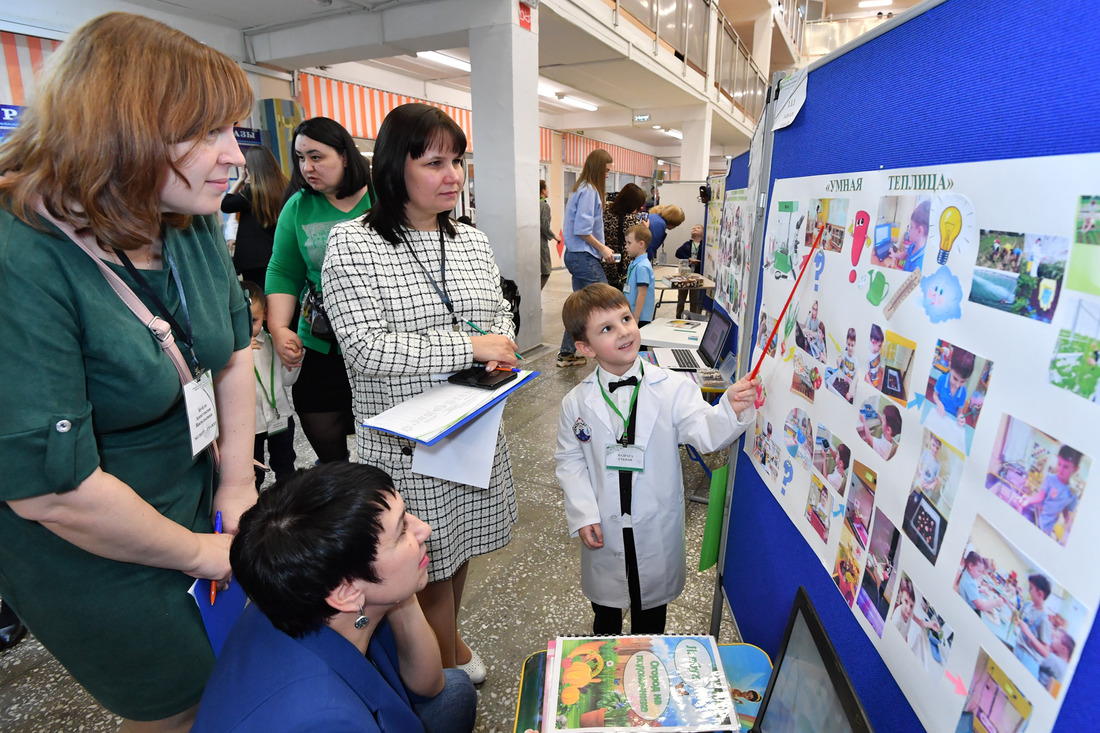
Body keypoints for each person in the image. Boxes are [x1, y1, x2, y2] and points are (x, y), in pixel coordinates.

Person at [0, 13, 257, 730]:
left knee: (235, 675)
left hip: (195, 491)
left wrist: (237, 483)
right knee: (177, 702)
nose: (232, 157)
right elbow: (56, 494)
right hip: (91, 549)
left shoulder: (185, 213)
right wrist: (203, 551)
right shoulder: (20, 258)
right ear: (123, 132)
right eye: (204, 134)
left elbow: (233, 348)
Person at [323, 102, 519, 682]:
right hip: (408, 441)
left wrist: (501, 344)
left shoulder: (471, 242)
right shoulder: (354, 243)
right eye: (435, 162)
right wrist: (472, 348)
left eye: (457, 161)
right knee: (421, 560)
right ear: (394, 166)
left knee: (459, 546)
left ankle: (448, 640)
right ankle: (436, 667)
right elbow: (364, 348)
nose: (453, 175)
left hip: (474, 426)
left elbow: (498, 314)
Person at [192, 463, 477, 732]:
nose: (423, 529)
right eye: (402, 531)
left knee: (454, 691)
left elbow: (429, 686)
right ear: (346, 591)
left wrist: (403, 592)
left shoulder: (306, 590)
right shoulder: (327, 722)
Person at [555, 284, 759, 635]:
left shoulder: (673, 387)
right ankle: (608, 664)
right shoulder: (575, 402)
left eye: (626, 318)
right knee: (605, 614)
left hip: (654, 520)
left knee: (651, 618)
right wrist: (584, 512)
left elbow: (705, 431)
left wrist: (730, 408)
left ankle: (646, 667)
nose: (623, 332)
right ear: (585, 348)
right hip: (605, 521)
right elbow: (570, 460)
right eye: (607, 329)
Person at [265, 117, 373, 463]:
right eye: (300, 158)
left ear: (344, 155)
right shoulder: (298, 205)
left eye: (316, 156)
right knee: (329, 448)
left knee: (387, 441)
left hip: (379, 338)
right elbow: (283, 270)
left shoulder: (382, 197)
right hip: (319, 339)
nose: (306, 167)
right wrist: (279, 328)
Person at [557, 148, 616, 367]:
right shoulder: (589, 190)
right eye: (607, 171)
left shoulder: (579, 188)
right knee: (608, 301)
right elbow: (583, 229)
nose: (608, 175)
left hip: (575, 255)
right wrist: (603, 249)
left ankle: (567, 353)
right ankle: (610, 351)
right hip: (583, 256)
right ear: (599, 169)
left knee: (580, 309)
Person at [243, 281, 299, 490]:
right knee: (253, 472)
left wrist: (294, 360)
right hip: (250, 425)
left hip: (280, 416)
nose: (248, 326)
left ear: (266, 315)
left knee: (285, 465)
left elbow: (287, 380)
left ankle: (289, 504)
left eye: (254, 319)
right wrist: (238, 357)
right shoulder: (229, 351)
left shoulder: (274, 342)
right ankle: (253, 508)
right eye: (241, 320)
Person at [221, 145, 289, 285]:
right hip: (279, 254)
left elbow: (226, 205)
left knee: (260, 301)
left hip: (253, 260)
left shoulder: (251, 192)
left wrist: (240, 181)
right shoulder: (284, 187)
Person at [1020, 445, 1082, 537]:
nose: (1060, 469)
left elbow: (1066, 512)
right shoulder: (1050, 478)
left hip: (1047, 530)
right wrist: (1028, 500)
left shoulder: (1073, 492)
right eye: (1059, 464)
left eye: (1065, 466)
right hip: (1036, 518)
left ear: (1075, 469)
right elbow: (1040, 497)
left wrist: (1071, 529)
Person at [602, 182, 646, 289]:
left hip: (603, 261)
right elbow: (640, 242)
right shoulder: (631, 219)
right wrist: (645, 228)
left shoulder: (605, 209)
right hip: (621, 268)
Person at [1013, 573, 1053, 677]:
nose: (1029, 591)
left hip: (1028, 660)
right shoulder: (1029, 606)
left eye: (1031, 588)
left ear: (1040, 594)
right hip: (1018, 649)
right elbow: (1020, 617)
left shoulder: (1044, 620)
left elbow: (1045, 652)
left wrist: (1029, 634)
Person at [623, 224, 655, 326]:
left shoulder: (642, 266)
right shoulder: (635, 263)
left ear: (641, 244)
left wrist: (636, 317)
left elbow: (642, 294)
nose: (626, 246)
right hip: (632, 312)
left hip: (640, 316)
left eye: (629, 243)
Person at [932, 346, 974, 423]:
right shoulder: (942, 379)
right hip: (938, 416)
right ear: (950, 366)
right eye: (955, 378)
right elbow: (935, 395)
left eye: (962, 381)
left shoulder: (963, 392)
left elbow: (959, 411)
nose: (957, 385)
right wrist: (939, 403)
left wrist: (960, 416)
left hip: (950, 423)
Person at [957, 551, 1004, 615]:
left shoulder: (968, 574)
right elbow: (981, 606)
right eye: (979, 571)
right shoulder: (970, 583)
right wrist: (996, 602)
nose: (980, 574)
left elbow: (968, 591)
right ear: (970, 565)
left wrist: (978, 590)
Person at [674, 224, 705, 317]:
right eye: (693, 228)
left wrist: (698, 262)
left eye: (698, 228)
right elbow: (678, 253)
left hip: (697, 276)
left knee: (695, 299)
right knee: (681, 299)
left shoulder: (704, 245)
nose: (695, 228)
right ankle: (678, 316)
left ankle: (693, 317)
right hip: (685, 276)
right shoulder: (687, 244)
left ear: (703, 234)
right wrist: (689, 259)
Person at [539, 179, 560, 289]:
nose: (548, 191)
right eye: (547, 188)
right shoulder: (544, 206)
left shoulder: (532, 204)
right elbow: (544, 226)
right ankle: (535, 297)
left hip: (530, 242)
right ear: (543, 190)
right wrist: (554, 236)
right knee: (546, 270)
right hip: (541, 243)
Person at [865, 324, 884, 390]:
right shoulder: (868, 356)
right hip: (871, 385)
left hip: (877, 383)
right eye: (879, 345)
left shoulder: (878, 351)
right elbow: (866, 375)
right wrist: (871, 386)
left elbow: (880, 368)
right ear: (873, 342)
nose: (880, 348)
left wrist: (880, 385)